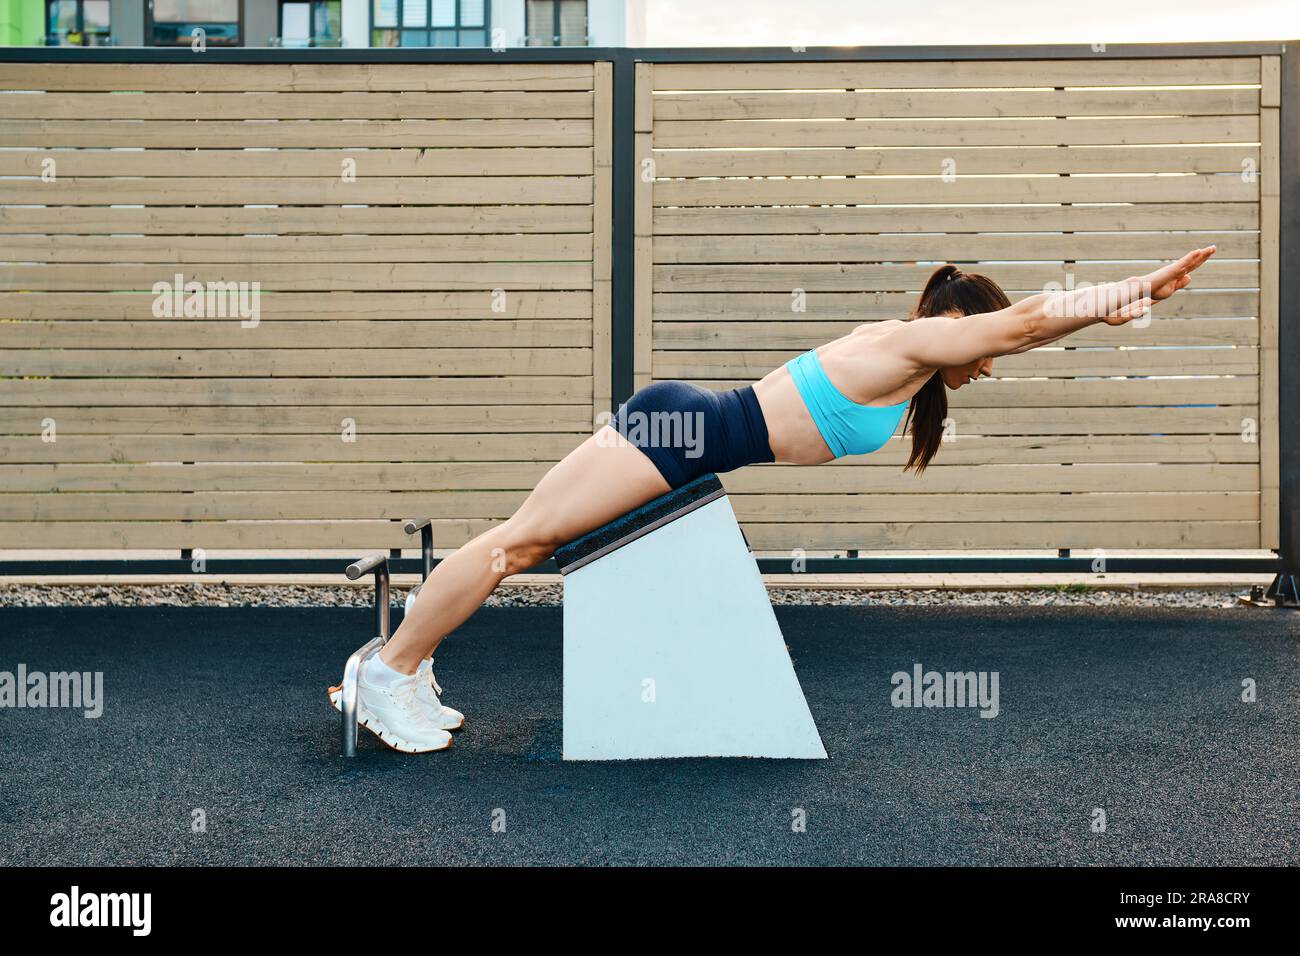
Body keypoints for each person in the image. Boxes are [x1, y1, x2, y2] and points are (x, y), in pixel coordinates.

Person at [331, 246, 1218, 753]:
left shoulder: (909, 358)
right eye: (981, 343)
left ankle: (404, 659)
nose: (989, 360)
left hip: (690, 426)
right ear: (961, 323)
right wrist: (1125, 295)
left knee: (518, 544)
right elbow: (1025, 322)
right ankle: (387, 670)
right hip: (688, 431)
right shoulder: (915, 342)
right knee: (517, 545)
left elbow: (1016, 319)